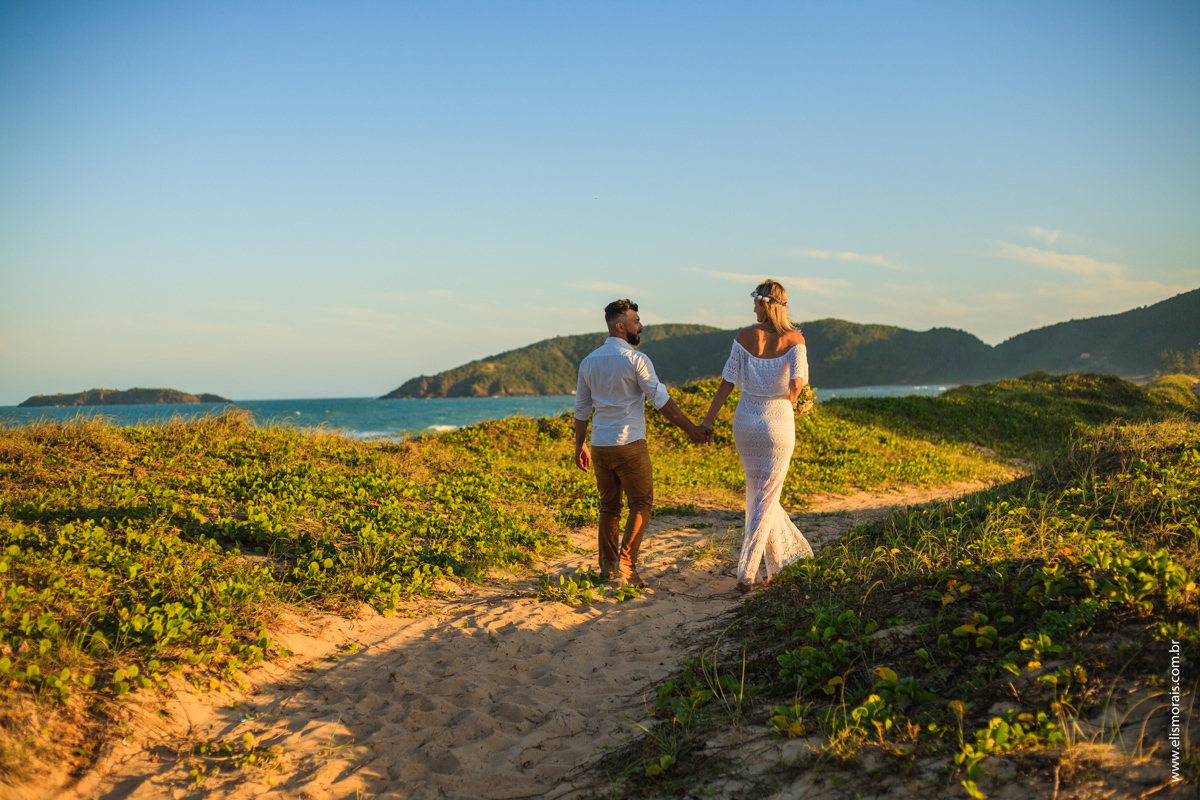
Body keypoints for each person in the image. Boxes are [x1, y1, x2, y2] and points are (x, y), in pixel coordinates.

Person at [574, 299, 709, 587]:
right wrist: (691, 430)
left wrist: (579, 445)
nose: (641, 326)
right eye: (636, 321)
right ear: (621, 326)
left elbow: (581, 409)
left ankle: (608, 569)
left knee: (609, 506)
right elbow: (662, 402)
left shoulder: (588, 362)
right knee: (641, 503)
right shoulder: (636, 360)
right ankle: (626, 566)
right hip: (629, 444)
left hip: (599, 445)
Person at [699, 280, 814, 593]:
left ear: (767, 304)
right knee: (766, 497)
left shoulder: (743, 337)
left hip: (746, 422)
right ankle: (746, 575)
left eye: (756, 302)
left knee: (759, 496)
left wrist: (709, 420)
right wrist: (795, 401)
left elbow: (726, 384)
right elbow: (797, 384)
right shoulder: (795, 339)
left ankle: (775, 568)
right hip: (778, 424)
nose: (753, 308)